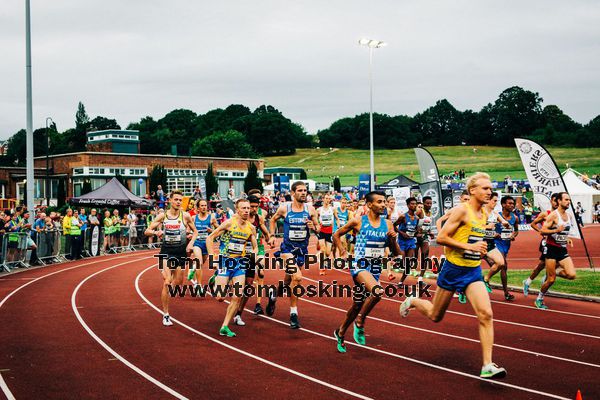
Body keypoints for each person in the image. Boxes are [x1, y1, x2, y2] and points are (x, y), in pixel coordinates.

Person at [400, 172, 506, 379]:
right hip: (453, 270)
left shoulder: (484, 213)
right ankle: (413, 300)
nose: (489, 191)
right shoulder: (461, 211)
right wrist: (471, 246)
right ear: (472, 190)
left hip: (473, 271)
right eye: (485, 188)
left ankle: (487, 365)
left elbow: (474, 239)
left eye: (490, 188)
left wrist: (480, 249)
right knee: (435, 316)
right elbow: (441, 238)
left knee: (486, 314)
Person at [333, 191, 400, 352]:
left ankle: (340, 332)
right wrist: (342, 251)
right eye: (379, 202)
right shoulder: (358, 221)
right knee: (377, 292)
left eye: (384, 201)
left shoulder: (388, 224)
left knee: (357, 305)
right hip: (359, 265)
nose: (383, 204)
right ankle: (360, 321)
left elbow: (396, 252)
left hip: (375, 268)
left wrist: (392, 239)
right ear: (369, 205)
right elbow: (336, 234)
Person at [267, 181, 320, 329]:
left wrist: (313, 227)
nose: (304, 193)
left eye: (305, 190)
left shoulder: (310, 209)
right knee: (297, 277)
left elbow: (318, 228)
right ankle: (293, 313)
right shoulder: (285, 208)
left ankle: (273, 295)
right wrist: (271, 235)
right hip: (287, 250)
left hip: (302, 251)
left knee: (288, 281)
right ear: (293, 193)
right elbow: (272, 219)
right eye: (300, 190)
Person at [145, 190, 198, 326]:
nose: (178, 202)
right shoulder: (163, 216)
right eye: (176, 200)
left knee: (178, 283)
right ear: (170, 201)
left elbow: (195, 231)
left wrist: (190, 242)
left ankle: (169, 291)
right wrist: (157, 231)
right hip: (166, 252)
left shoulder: (185, 216)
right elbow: (147, 231)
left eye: (180, 200)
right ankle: (166, 314)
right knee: (167, 282)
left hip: (180, 252)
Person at [206, 199, 257, 337]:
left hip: (239, 263)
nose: (247, 210)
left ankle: (224, 326)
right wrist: (212, 258)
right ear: (237, 210)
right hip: (224, 262)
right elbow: (210, 238)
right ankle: (214, 280)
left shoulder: (251, 228)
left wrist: (254, 256)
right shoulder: (229, 223)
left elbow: (255, 246)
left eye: (248, 208)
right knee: (220, 298)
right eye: (243, 208)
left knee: (237, 296)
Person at [233, 195, 271, 325]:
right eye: (251, 207)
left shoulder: (258, 218)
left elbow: (266, 232)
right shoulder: (236, 218)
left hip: (253, 253)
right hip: (237, 255)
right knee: (237, 286)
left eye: (255, 207)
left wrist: (269, 238)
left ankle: (238, 314)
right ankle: (218, 277)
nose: (253, 210)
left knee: (249, 285)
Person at [536, 192, 577, 309]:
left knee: (572, 275)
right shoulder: (553, 215)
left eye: (569, 200)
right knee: (551, 280)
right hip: (551, 250)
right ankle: (539, 298)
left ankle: (554, 272)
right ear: (559, 201)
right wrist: (556, 230)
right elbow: (542, 231)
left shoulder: (569, 216)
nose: (568, 202)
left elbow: (563, 232)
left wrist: (567, 238)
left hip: (562, 249)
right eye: (566, 200)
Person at [523, 193, 560, 296]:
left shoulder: (561, 215)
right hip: (547, 243)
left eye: (558, 200)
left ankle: (541, 280)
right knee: (541, 265)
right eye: (554, 200)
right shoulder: (545, 214)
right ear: (551, 201)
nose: (556, 203)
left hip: (558, 243)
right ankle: (529, 282)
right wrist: (541, 232)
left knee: (557, 263)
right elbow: (532, 224)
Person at [485, 196, 519, 301]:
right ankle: (505, 291)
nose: (512, 205)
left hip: (506, 244)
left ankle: (505, 292)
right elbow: (488, 226)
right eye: (509, 203)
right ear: (503, 204)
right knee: (503, 264)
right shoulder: (497, 215)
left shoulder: (515, 218)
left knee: (502, 267)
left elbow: (516, 230)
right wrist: (495, 234)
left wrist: (513, 235)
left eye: (513, 204)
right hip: (496, 243)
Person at [188, 199, 218, 290]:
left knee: (200, 265)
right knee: (199, 262)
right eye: (202, 205)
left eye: (205, 205)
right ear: (198, 207)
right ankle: (199, 286)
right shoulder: (193, 218)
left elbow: (219, 230)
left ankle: (195, 274)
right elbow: (188, 230)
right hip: (197, 243)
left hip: (207, 245)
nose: (204, 207)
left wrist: (211, 231)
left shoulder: (211, 218)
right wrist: (189, 234)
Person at [415, 196, 436, 282]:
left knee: (425, 254)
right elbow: (412, 220)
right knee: (414, 257)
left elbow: (428, 225)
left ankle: (420, 277)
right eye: (427, 203)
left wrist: (430, 232)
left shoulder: (430, 213)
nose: (429, 205)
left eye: (430, 203)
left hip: (425, 236)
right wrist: (417, 231)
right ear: (423, 204)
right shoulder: (420, 212)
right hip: (416, 237)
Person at [317, 194, 335, 275]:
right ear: (323, 199)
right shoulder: (319, 210)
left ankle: (325, 259)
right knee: (323, 249)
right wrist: (317, 224)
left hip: (329, 231)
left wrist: (336, 229)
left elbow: (337, 219)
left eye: (329, 198)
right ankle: (322, 268)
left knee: (328, 252)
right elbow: (314, 219)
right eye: (326, 198)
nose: (328, 200)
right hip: (322, 231)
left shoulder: (333, 209)